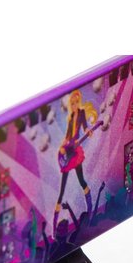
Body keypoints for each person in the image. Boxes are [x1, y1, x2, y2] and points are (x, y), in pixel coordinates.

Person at [53, 89, 99, 235]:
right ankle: (54, 227)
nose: (73, 105)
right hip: (68, 150)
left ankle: (90, 209)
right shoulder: (71, 117)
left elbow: (85, 127)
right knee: (62, 189)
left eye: (75, 102)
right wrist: (62, 147)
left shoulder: (81, 113)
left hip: (76, 151)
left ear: (78, 102)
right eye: (71, 103)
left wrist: (88, 131)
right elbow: (67, 136)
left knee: (81, 180)